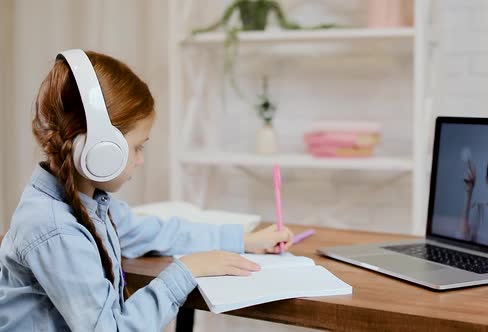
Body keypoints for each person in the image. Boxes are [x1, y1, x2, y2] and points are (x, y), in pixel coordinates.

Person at [0, 50, 293, 331]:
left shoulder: (91, 203)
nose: (140, 160)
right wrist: (185, 272)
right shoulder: (56, 230)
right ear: (101, 151)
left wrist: (242, 239)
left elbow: (157, 232)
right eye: (137, 147)